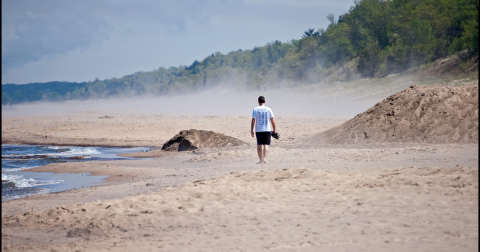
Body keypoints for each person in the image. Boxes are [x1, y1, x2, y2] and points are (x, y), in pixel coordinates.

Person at [251, 96, 276, 164]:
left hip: (258, 130)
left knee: (259, 144)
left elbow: (253, 120)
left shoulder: (255, 109)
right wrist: (274, 129)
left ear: (258, 102)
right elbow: (272, 120)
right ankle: (264, 158)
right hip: (267, 129)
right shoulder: (268, 109)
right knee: (266, 144)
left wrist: (251, 130)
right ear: (264, 101)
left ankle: (260, 160)